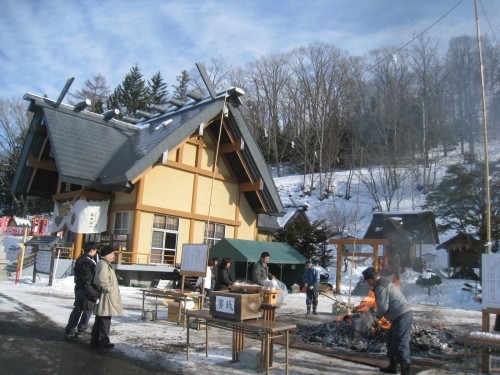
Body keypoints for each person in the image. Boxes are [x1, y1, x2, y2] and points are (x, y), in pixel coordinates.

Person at [362, 267, 413, 375]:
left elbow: (383, 307)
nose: (367, 283)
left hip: (402, 315)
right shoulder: (381, 283)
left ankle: (405, 372)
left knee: (400, 343)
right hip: (396, 316)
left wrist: (376, 318)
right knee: (390, 341)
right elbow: (383, 304)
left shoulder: (380, 286)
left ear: (370, 280)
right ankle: (392, 367)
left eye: (367, 281)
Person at [64, 242, 100, 338]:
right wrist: (94, 291)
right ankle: (81, 330)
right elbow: (92, 277)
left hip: (78, 287)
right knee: (88, 309)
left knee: (77, 308)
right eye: (95, 250)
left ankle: (70, 329)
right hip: (88, 288)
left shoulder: (79, 259)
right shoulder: (90, 262)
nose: (96, 252)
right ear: (92, 250)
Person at [90, 245, 123, 349]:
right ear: (107, 254)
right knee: (105, 318)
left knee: (100, 318)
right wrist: (110, 289)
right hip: (106, 297)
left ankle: (95, 339)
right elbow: (103, 280)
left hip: (105, 296)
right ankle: (104, 340)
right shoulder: (104, 265)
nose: (114, 256)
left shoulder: (104, 264)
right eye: (112, 254)